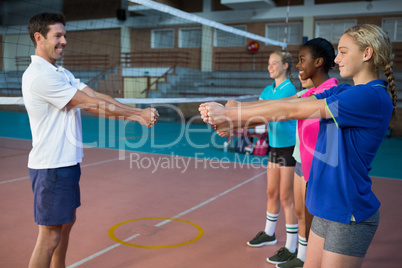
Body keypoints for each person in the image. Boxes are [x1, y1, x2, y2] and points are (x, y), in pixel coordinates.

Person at [200, 24, 397, 267]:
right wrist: (235, 118)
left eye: (344, 52)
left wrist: (230, 113)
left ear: (367, 53)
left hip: (348, 212)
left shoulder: (368, 97)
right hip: (327, 205)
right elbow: (291, 101)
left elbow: (289, 110)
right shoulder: (345, 91)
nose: (337, 58)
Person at [22, 13, 159, 268]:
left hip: (66, 163)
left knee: (66, 224)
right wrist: (137, 115)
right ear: (38, 38)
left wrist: (135, 111)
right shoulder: (40, 76)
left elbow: (94, 94)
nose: (64, 41)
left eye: (65, 36)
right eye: (57, 36)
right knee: (49, 236)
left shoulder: (59, 72)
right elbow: (90, 103)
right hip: (50, 166)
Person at [231, 51, 299, 265]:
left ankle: (292, 245)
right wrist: (231, 114)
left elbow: (269, 112)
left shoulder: (290, 90)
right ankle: (269, 233)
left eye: (274, 63)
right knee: (271, 192)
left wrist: (236, 111)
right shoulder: (267, 90)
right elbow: (253, 113)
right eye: (268, 63)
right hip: (274, 148)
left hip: (289, 148)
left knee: (286, 197)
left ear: (286, 66)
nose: (269, 67)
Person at [278, 38, 338, 268]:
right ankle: (302, 256)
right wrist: (235, 111)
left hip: (318, 166)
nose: (299, 65)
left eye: (303, 59)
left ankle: (310, 259)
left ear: (319, 61)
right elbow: (282, 104)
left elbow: (284, 109)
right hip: (301, 159)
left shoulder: (329, 92)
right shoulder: (312, 91)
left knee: (314, 219)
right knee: (301, 213)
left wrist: (235, 116)